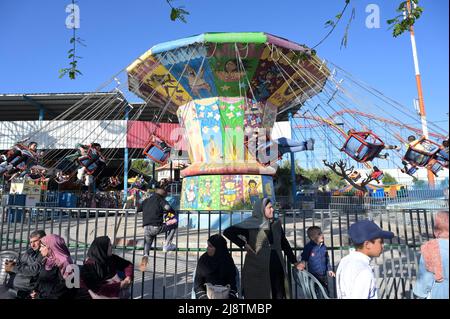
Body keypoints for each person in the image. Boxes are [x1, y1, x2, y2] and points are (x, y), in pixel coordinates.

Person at [223, 198, 302, 299]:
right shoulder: (251, 224)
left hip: (276, 268)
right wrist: (243, 244)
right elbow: (228, 232)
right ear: (261, 210)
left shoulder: (276, 224)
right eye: (269, 207)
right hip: (256, 269)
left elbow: (284, 243)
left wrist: (295, 262)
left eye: (272, 207)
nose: (272, 210)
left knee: (277, 293)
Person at [336, 219, 394, 299]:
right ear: (367, 244)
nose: (383, 246)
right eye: (380, 242)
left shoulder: (345, 260)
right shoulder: (364, 272)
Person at [138, 181, 178, 272]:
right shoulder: (160, 199)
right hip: (156, 227)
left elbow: (138, 209)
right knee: (174, 224)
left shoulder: (147, 200)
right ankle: (167, 244)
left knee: (148, 242)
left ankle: (145, 255)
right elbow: (167, 208)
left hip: (146, 228)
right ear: (163, 194)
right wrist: (173, 212)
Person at [413, 211, 449, 299]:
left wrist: (419, 294)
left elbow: (425, 280)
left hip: (440, 294)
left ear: (437, 229)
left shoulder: (430, 248)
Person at [1, 230, 46, 299]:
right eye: (31, 242)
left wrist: (13, 268)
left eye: (35, 241)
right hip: (11, 285)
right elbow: (20, 265)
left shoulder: (43, 253)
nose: (32, 245)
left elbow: (34, 270)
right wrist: (10, 267)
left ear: (43, 240)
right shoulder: (29, 251)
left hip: (22, 290)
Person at [193, 234, 238, 299]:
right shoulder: (203, 260)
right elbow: (198, 284)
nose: (207, 248)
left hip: (225, 294)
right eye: (208, 245)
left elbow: (232, 282)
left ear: (219, 248)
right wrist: (204, 297)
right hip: (207, 294)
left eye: (210, 246)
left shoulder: (227, 260)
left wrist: (229, 296)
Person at [31, 234, 75, 299]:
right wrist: (35, 290)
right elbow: (41, 278)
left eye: (42, 247)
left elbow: (65, 289)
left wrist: (40, 296)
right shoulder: (47, 260)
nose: (40, 249)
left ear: (51, 247)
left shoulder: (65, 263)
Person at [299, 226, 335, 295]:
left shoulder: (323, 246)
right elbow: (304, 257)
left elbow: (326, 258)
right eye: (319, 234)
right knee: (315, 293)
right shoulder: (308, 247)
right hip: (313, 275)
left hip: (323, 275)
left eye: (321, 233)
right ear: (312, 237)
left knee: (325, 292)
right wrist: (302, 264)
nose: (322, 235)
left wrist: (329, 269)